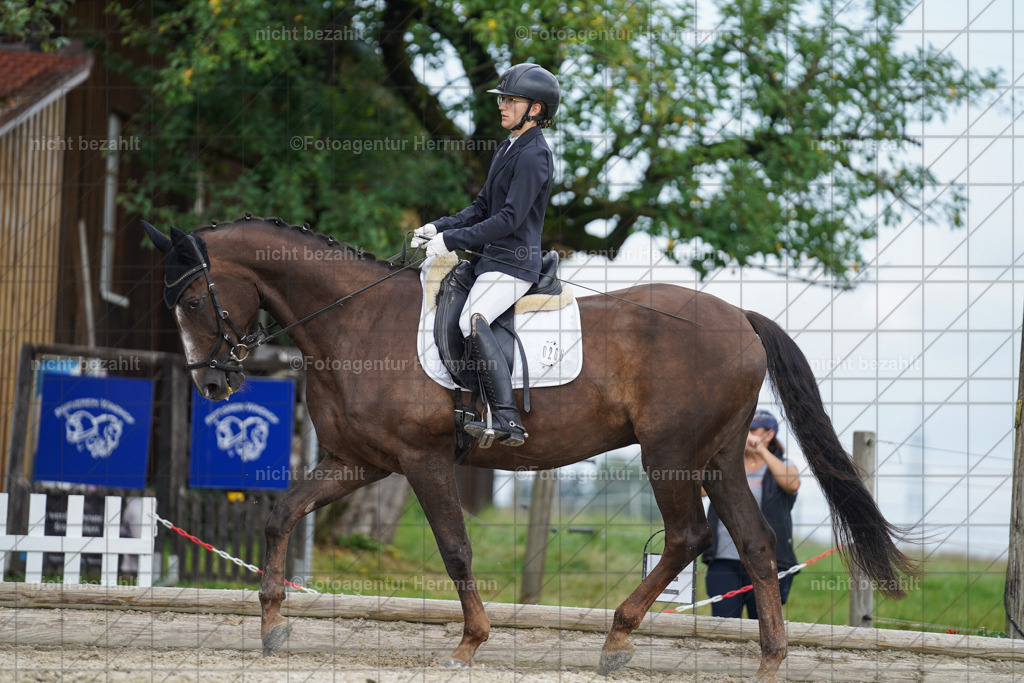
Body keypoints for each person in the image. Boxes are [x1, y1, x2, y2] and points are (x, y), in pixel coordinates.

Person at [410, 63, 559, 447]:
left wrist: (453, 241)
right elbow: (481, 208)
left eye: (511, 100)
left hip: (514, 263)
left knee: (472, 320)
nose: (502, 106)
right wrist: (439, 228)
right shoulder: (508, 147)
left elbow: (509, 219)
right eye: (502, 99)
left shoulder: (535, 155)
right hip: (491, 261)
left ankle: (507, 419)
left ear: (536, 109)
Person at [702, 409, 801, 619]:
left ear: (769, 434)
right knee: (723, 623)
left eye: (753, 429)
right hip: (724, 561)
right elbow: (700, 491)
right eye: (743, 429)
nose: (746, 434)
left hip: (767, 561)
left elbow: (792, 484)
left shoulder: (783, 465)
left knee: (763, 623)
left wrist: (762, 451)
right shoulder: (726, 465)